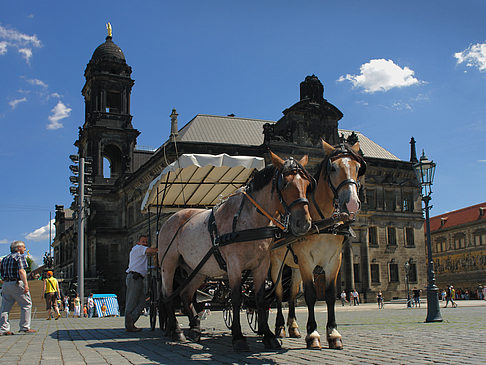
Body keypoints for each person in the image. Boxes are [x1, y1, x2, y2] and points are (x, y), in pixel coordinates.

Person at [0, 240, 36, 334]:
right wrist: (26, 284)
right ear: (19, 248)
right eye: (24, 247)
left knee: (5, 308)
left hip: (6, 284)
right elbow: (21, 271)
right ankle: (24, 327)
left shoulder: (5, 258)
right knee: (26, 304)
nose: (25, 249)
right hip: (17, 283)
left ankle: (3, 329)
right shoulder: (20, 257)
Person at [125, 235, 157, 332]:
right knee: (131, 302)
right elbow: (151, 251)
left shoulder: (139, 250)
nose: (145, 243)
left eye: (146, 242)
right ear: (138, 242)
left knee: (142, 301)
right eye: (143, 241)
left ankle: (131, 321)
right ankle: (129, 323)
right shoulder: (138, 248)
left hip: (137, 278)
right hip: (134, 278)